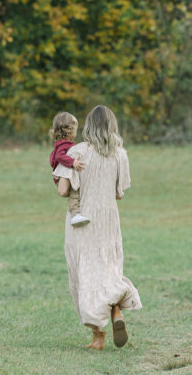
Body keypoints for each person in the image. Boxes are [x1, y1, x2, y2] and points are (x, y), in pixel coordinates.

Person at [57, 104, 141, 350]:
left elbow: (63, 190)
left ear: (88, 126)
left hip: (81, 221)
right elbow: (119, 193)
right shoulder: (120, 154)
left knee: (84, 275)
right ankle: (116, 310)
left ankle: (98, 336)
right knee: (108, 270)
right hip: (108, 222)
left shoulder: (76, 152)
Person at [49, 112, 90, 227]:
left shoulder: (61, 143)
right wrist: (72, 162)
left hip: (62, 176)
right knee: (74, 193)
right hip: (63, 178)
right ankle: (75, 215)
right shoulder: (64, 144)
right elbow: (58, 156)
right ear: (70, 130)